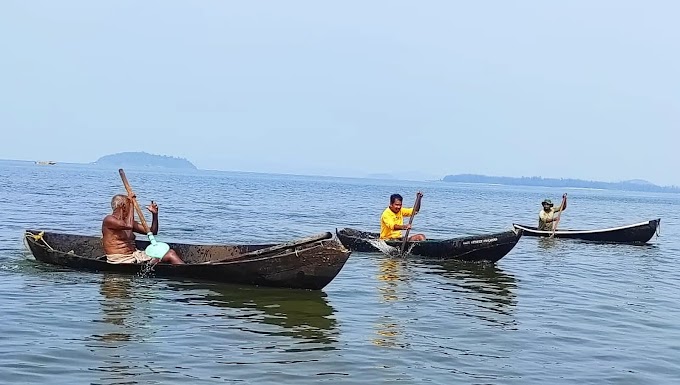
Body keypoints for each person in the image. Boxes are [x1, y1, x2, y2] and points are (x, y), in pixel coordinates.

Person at [102, 193, 184, 264]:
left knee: (171, 252)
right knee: (171, 254)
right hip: (120, 259)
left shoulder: (129, 222)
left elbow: (152, 232)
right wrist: (131, 204)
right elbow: (128, 225)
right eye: (129, 205)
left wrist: (155, 215)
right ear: (122, 206)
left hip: (134, 255)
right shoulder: (109, 220)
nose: (130, 208)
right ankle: (186, 273)